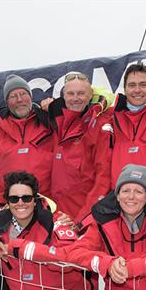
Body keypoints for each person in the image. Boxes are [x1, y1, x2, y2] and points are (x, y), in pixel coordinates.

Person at [81, 63, 146, 217]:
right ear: (124, 89)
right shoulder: (110, 117)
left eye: (143, 85)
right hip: (122, 202)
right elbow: (80, 109)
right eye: (132, 85)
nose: (137, 90)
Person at [0, 74, 54, 203]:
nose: (19, 99)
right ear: (7, 102)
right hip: (4, 204)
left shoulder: (48, 123)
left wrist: (57, 109)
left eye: (23, 94)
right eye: (13, 96)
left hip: (43, 202)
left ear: (30, 97)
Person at [47, 71, 106, 220]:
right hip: (55, 215)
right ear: (63, 96)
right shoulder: (54, 124)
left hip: (82, 214)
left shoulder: (99, 124)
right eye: (70, 93)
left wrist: (84, 218)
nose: (75, 99)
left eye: (81, 93)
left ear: (90, 94)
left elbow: (102, 177)